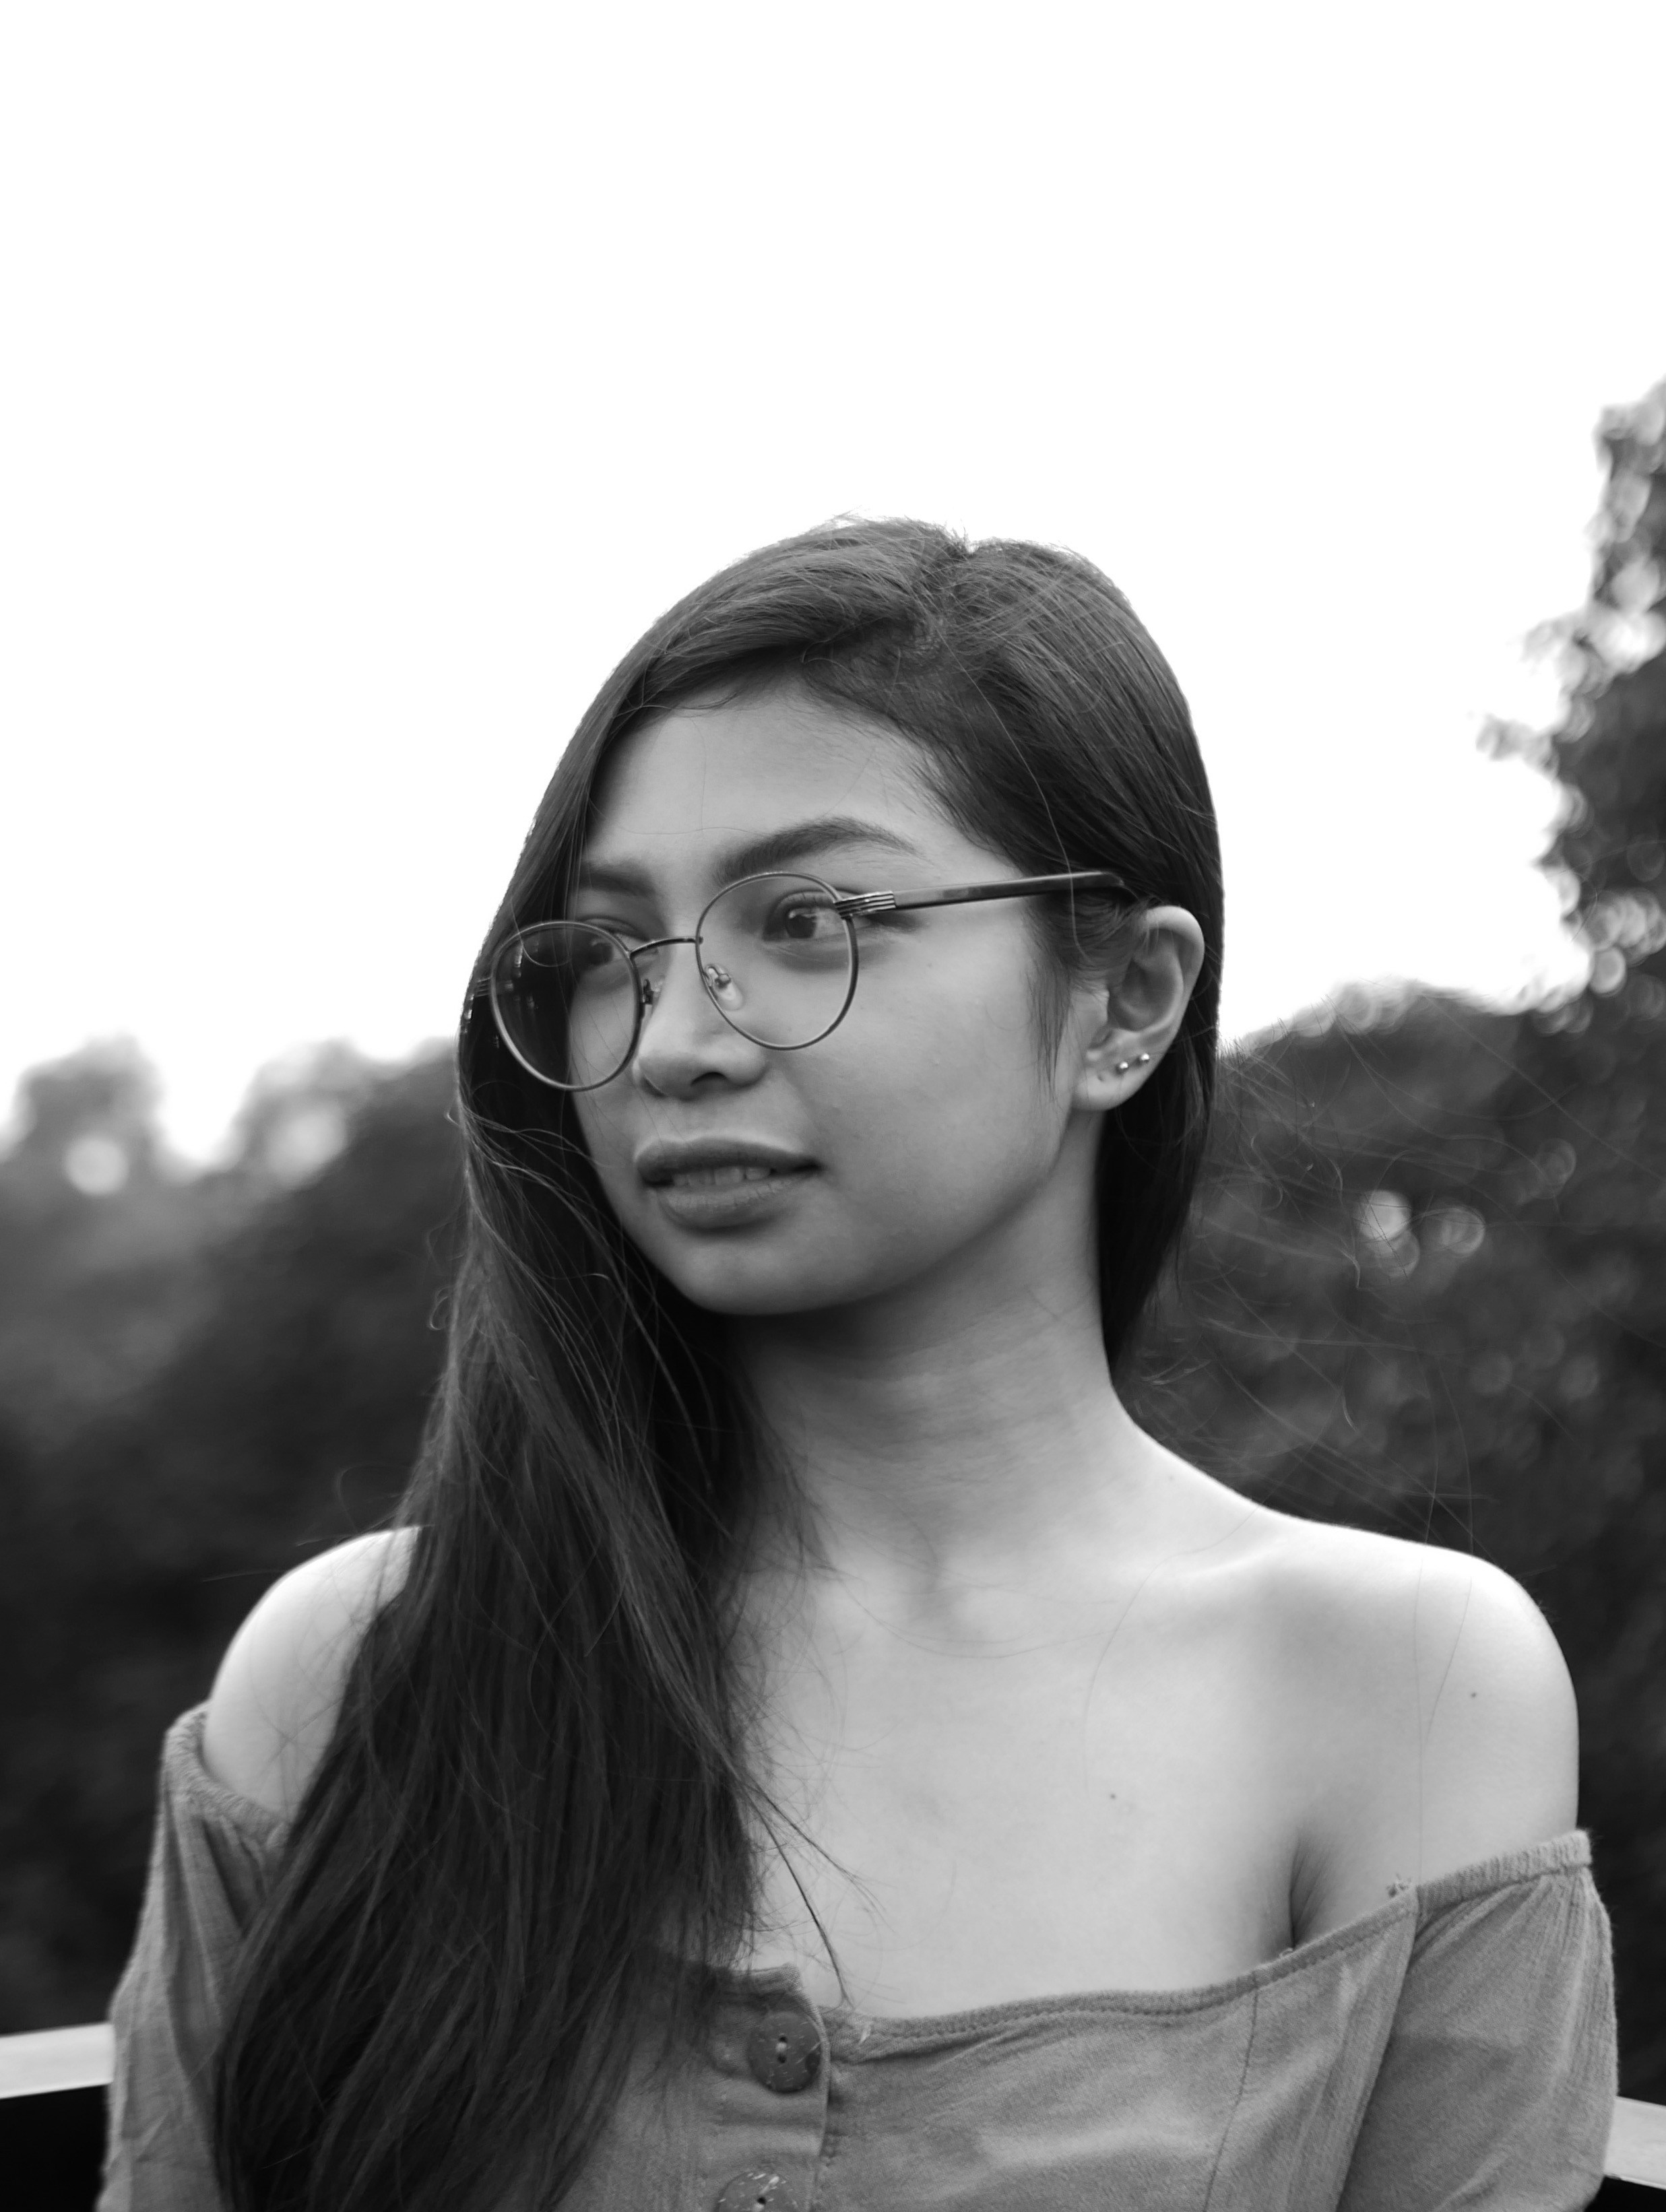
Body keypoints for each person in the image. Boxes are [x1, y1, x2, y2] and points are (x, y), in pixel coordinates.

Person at [100, 520, 1615, 2212]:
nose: (674, 1042)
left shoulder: (1396, 1683)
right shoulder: (353, 1671)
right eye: (608, 952)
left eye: (807, 919)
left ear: (1124, 991)